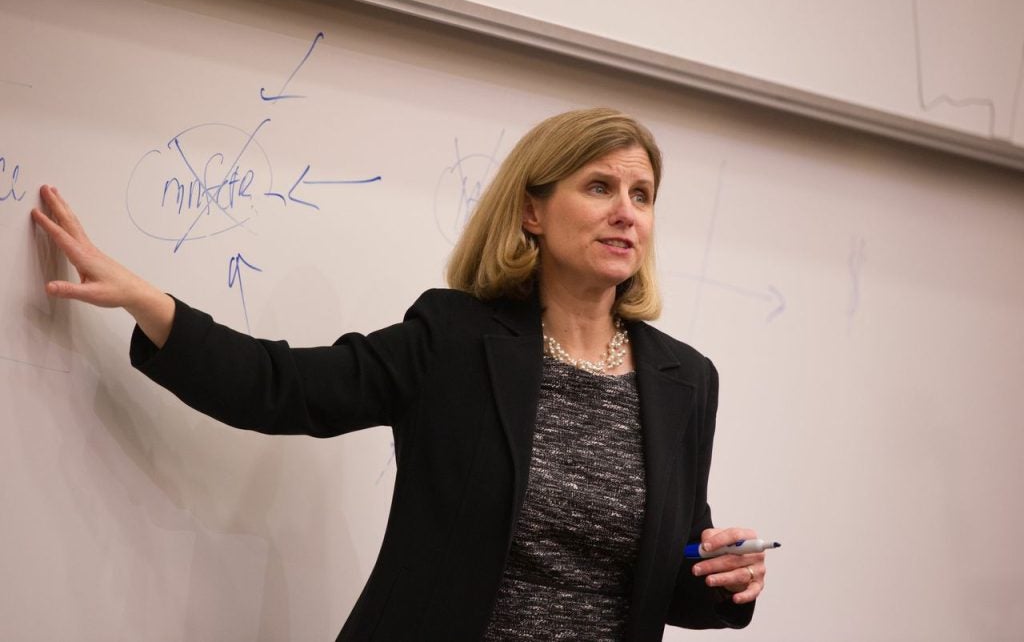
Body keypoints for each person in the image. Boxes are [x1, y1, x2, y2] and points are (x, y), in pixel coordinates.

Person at [31, 108, 768, 641]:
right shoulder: (453, 339)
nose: (627, 214)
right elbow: (281, 385)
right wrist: (145, 300)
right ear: (532, 212)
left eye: (642, 196)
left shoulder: (684, 380)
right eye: (600, 187)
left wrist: (725, 578)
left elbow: (663, 579)